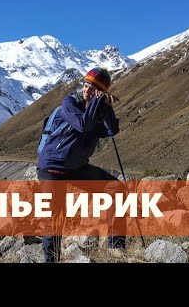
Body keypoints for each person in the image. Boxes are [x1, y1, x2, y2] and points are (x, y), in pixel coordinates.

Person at [36, 67, 127, 263]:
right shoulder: (69, 103)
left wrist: (107, 107)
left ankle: (116, 247)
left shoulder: (97, 107)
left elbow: (110, 131)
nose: (87, 91)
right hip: (52, 167)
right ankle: (51, 260)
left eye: (94, 89)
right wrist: (97, 101)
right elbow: (83, 125)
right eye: (86, 86)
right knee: (55, 217)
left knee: (116, 188)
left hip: (76, 168)